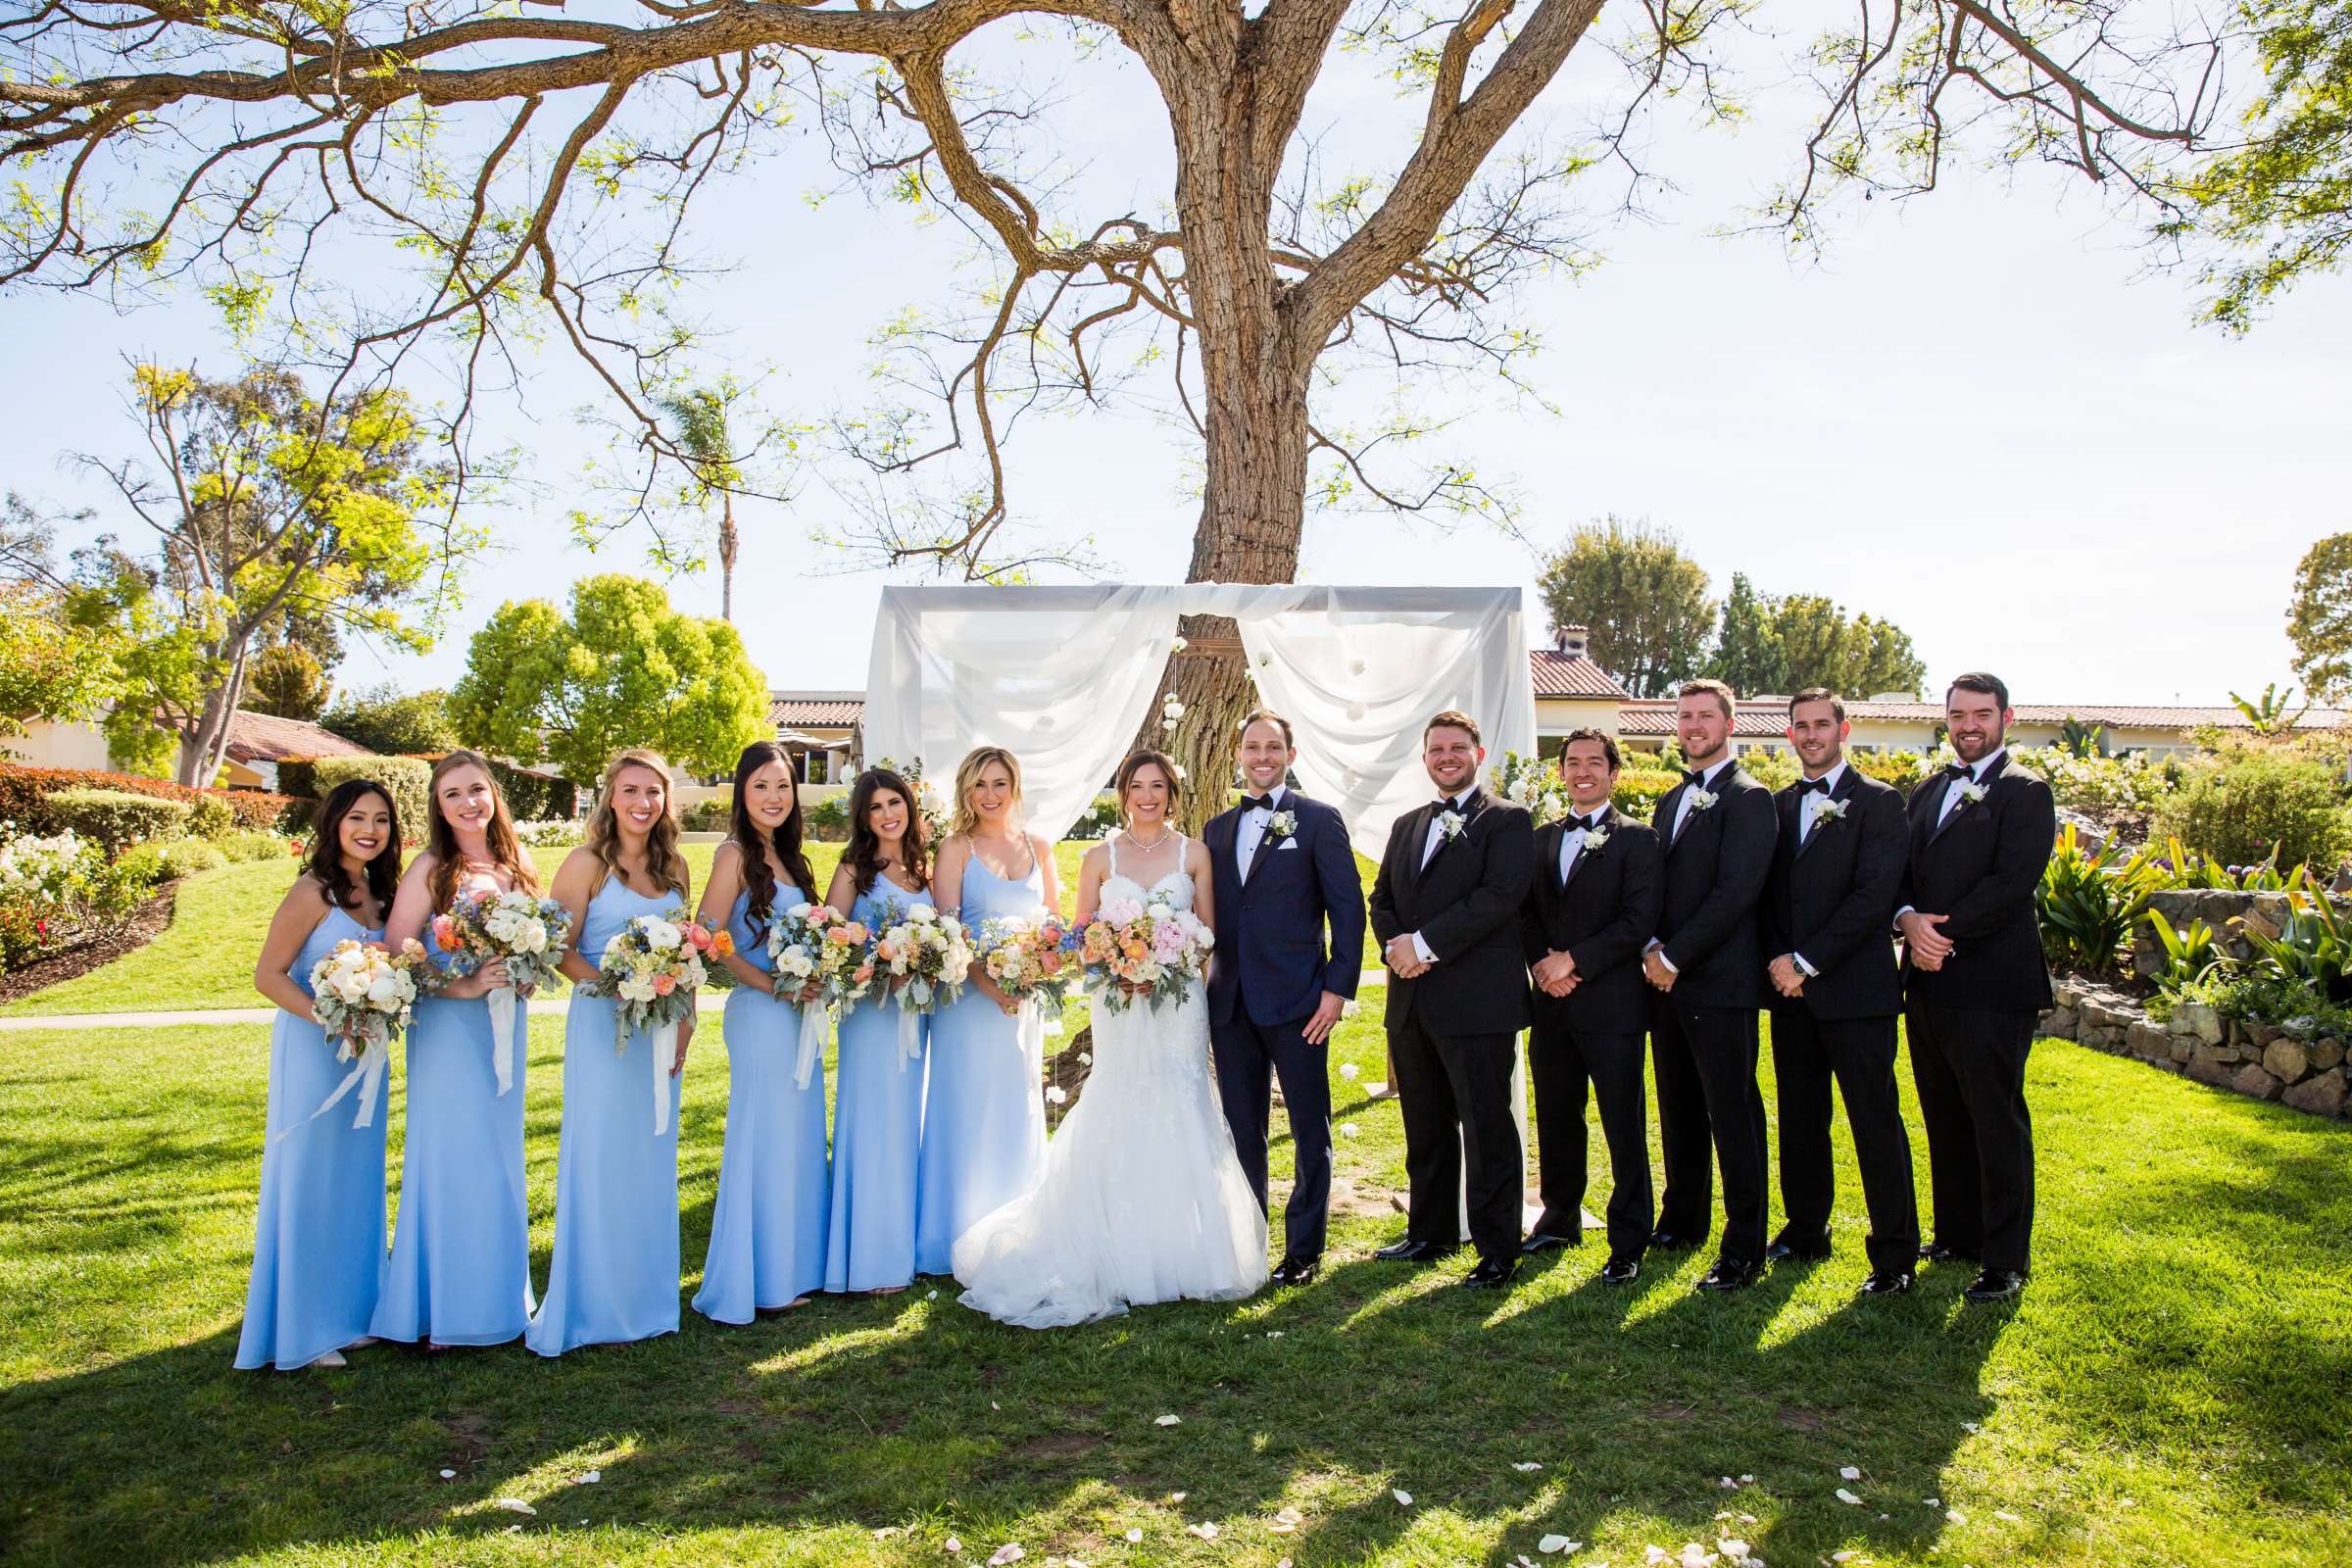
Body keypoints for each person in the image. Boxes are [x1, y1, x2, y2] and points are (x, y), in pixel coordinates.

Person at [954, 749, 1268, 1328]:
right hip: (1118, 1002)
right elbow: (1080, 937)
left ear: (1172, 792)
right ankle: (1114, 1248)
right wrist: (1116, 963)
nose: (1147, 796)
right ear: (1122, 793)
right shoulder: (1100, 856)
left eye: (1158, 786)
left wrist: (1167, 963)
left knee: (1182, 1102)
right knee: (1120, 1100)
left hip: (1177, 1006)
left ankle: (1184, 1249)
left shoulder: (1194, 853)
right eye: (1136, 786)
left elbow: (1207, 936)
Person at [526, 749, 696, 1354]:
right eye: (630, 790)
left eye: (653, 792)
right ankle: (593, 1302)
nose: (642, 803)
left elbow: (687, 954)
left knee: (649, 1154)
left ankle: (646, 1300)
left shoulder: (674, 867)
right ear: (610, 797)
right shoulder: (585, 864)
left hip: (661, 1025)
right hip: (603, 1023)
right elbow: (558, 948)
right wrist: (617, 985)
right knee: (601, 1154)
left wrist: (686, 1020)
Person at [371, 751, 543, 1348]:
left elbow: (535, 944)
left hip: (503, 1028)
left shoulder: (517, 865)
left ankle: (497, 1303)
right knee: (449, 1157)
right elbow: (396, 953)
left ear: (492, 794)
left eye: (476, 789)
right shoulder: (430, 868)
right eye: (453, 795)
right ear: (439, 807)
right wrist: (462, 983)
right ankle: (443, 1311)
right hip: (446, 1030)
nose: (469, 802)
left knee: (497, 1158)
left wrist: (524, 972)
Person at [1895, 672, 2057, 1304]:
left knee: (1996, 1120)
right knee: (1943, 1113)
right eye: (1959, 713)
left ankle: (2005, 1257)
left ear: (2005, 718)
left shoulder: (2025, 793)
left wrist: (1941, 935)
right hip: (1927, 985)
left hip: (1991, 983)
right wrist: (1906, 919)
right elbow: (1898, 871)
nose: (1969, 725)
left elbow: (2013, 882)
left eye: (1981, 714)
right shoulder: (1928, 790)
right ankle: (1957, 1234)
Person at [236, 778, 402, 1371]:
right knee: (309, 1176)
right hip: (314, 1048)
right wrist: (332, 1018)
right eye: (358, 817)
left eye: (381, 820)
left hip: (366, 1056)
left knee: (354, 1180)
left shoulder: (382, 892)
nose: (370, 830)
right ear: (334, 823)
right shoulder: (312, 892)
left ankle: (351, 1314)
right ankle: (302, 1330)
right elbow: (269, 975)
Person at [1368, 710, 1535, 1291]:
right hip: (1411, 999)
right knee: (1425, 1123)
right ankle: (1430, 1231)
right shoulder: (1409, 824)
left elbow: (1499, 898)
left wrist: (1426, 944)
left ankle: (1497, 1249)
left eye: (1457, 747)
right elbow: (1381, 895)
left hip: (1477, 1003)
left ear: (1478, 754)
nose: (1447, 757)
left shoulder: (1510, 822)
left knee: (1486, 1128)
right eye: (1437, 748)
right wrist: (1396, 946)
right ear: (1425, 759)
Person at [1760, 690, 1919, 1297]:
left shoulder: (1879, 803)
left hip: (1856, 993)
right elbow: (1769, 896)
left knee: (1873, 1119)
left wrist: (1806, 960)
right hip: (1792, 995)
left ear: (1843, 729)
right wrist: (1780, 964)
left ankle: (1896, 1253)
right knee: (1801, 1119)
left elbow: (1874, 896)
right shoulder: (1777, 806)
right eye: (1801, 726)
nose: (1810, 735)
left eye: (1821, 725)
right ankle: (1805, 1230)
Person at [1202, 709, 1366, 1288]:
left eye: (1274, 747)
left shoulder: (1319, 821)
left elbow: (1349, 911)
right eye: (1253, 747)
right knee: (1243, 1127)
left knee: (1307, 1127)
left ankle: (1304, 1249)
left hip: (1301, 1001)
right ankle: (1249, 1239)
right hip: (1230, 1004)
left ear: (1290, 756)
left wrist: (1336, 991)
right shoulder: (1217, 830)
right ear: (1239, 754)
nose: (1263, 757)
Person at [1643, 679, 1778, 1292]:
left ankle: (1744, 1245)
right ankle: (1683, 1220)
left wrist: (1676, 955)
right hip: (1665, 981)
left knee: (1732, 1112)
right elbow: (1658, 887)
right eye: (1685, 716)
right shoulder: (1670, 800)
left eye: (1704, 716)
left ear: (1728, 723)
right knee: (1677, 1107)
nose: (1693, 725)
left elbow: (1735, 893)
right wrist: (1650, 947)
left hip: (1720, 982)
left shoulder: (1750, 798)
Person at [693, 740, 831, 1322]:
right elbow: (706, 937)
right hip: (760, 1014)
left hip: (800, 1014)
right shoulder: (733, 855)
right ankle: (756, 1280)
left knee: (796, 1140)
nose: (774, 797)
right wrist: (770, 982)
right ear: (741, 793)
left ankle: (794, 1268)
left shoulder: (792, 857)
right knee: (763, 1140)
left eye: (782, 786)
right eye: (761, 787)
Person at [1519, 728, 1662, 1284]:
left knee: (1622, 1121)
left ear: (1613, 773)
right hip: (1551, 1005)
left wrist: (1572, 961)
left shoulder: (1638, 840)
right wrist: (1541, 965)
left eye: (1594, 763)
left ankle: (1628, 1238)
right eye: (1573, 762)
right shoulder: (1539, 840)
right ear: (1561, 772)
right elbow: (1525, 914)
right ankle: (1558, 1217)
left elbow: (1638, 920)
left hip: (1612, 1005)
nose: (1583, 771)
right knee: (1557, 1114)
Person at [915, 746, 1058, 1276]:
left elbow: (1055, 927)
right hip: (967, 1005)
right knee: (965, 1108)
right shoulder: (955, 849)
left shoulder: (1039, 847)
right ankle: (952, 1235)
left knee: (1014, 1107)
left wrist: (1033, 971)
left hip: (1022, 1004)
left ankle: (1014, 1232)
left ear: (1015, 788)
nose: (991, 795)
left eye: (1000, 783)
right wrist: (989, 984)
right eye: (980, 785)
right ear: (966, 791)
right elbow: (947, 928)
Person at [821, 766, 934, 1294]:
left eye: (896, 803)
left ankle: (905, 1244)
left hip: (918, 1017)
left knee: (907, 1124)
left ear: (909, 806)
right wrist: (879, 961)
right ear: (863, 818)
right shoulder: (853, 869)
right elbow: (830, 942)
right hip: (870, 1017)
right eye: (876, 807)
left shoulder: (925, 865)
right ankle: (868, 1257)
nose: (889, 814)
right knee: (873, 1124)